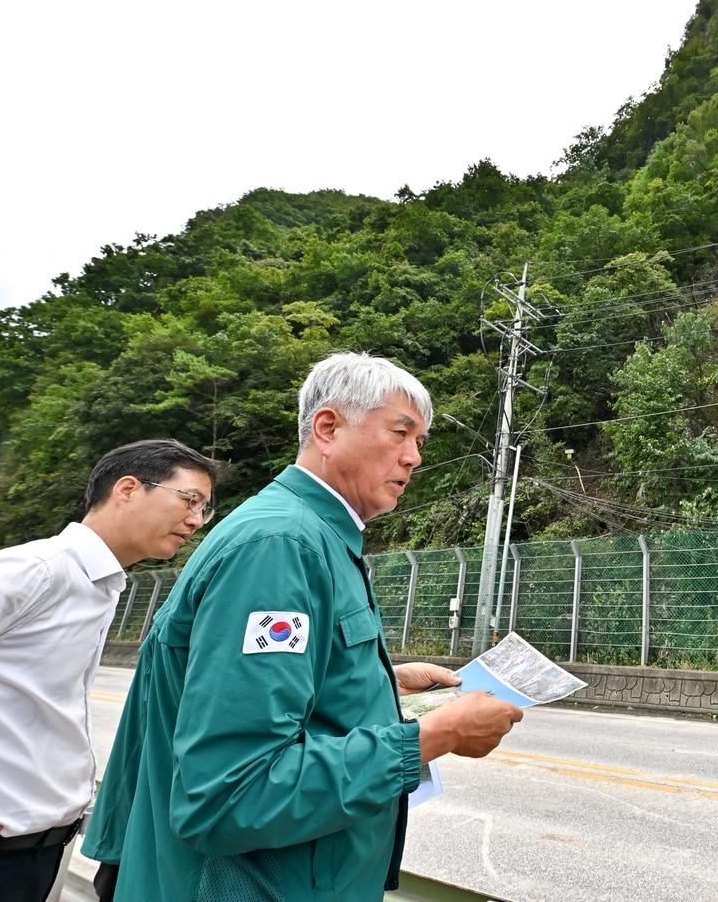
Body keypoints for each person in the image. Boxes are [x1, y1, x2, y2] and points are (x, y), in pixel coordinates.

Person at [82, 352, 523, 902]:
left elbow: (277, 688)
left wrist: (378, 684)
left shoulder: (312, 534)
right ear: (328, 427)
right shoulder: (280, 547)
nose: (413, 457)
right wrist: (435, 736)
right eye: (400, 433)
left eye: (421, 443)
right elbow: (233, 794)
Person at [0, 439, 222, 902]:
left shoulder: (99, 584)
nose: (197, 520)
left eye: (205, 507)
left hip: (40, 854)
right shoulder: (35, 571)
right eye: (190, 500)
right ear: (127, 489)